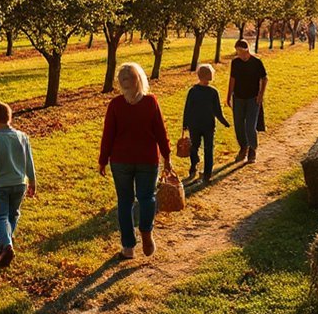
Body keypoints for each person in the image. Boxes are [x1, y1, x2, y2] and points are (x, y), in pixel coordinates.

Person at [98, 62, 172, 259]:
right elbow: (161, 132)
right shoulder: (151, 102)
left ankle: (128, 247)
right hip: (147, 158)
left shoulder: (115, 105)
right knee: (146, 197)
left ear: (121, 83)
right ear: (140, 80)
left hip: (120, 160)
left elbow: (108, 136)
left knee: (125, 201)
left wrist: (103, 160)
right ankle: (146, 232)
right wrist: (167, 156)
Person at [0, 101, 37, 268]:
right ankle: (4, 242)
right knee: (13, 215)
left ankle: (6, 246)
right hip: (19, 184)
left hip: (0, 185)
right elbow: (29, 162)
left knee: (1, 217)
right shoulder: (23, 137)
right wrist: (32, 181)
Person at [182, 64, 230, 184]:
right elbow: (217, 111)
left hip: (194, 124)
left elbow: (188, 109)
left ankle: (193, 167)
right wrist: (224, 122)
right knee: (208, 149)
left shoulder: (193, 91)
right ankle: (207, 174)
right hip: (208, 124)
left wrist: (185, 123)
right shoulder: (213, 92)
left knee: (194, 146)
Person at [226, 39, 268, 164]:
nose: (239, 54)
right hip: (238, 98)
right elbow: (232, 79)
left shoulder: (256, 62)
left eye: (240, 51)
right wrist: (229, 96)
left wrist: (260, 95)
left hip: (253, 98)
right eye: (237, 51)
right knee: (238, 125)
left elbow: (264, 79)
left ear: (246, 50)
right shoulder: (235, 63)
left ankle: (252, 149)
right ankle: (243, 147)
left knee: (250, 126)